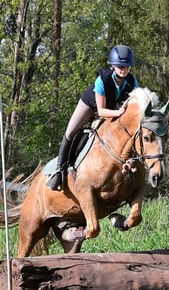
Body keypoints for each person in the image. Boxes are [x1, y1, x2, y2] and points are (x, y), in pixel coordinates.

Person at [46, 44, 140, 191]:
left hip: (114, 109)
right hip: (90, 105)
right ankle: (59, 171)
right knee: (70, 132)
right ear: (113, 66)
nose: (123, 69)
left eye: (127, 66)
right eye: (120, 66)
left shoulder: (132, 82)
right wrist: (119, 112)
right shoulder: (102, 80)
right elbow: (101, 110)